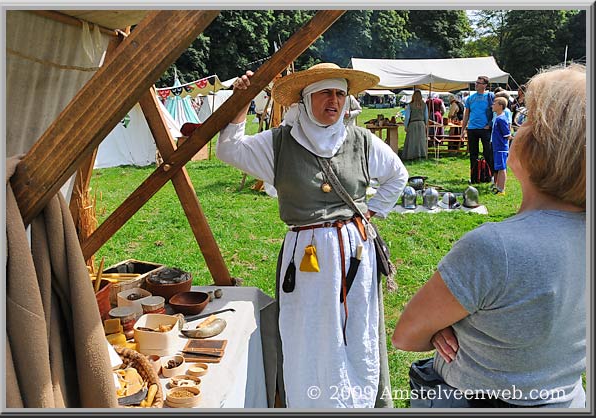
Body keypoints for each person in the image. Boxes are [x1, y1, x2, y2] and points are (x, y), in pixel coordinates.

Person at [391, 64, 586, 408]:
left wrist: (439, 328)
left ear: (545, 146)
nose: (514, 128)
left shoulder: (496, 248)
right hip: (567, 399)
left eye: (525, 122)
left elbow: (406, 335)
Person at [216, 63, 409, 408]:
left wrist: (372, 211)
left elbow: (397, 175)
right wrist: (241, 102)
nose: (333, 101)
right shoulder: (278, 143)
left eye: (339, 93)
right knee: (308, 330)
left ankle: (358, 400)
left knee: (357, 327)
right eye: (325, 93)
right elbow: (229, 149)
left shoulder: (361, 140)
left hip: (355, 254)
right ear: (305, 100)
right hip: (307, 258)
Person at [460, 75, 495, 182]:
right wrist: (463, 130)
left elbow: (496, 112)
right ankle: (474, 176)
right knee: (473, 154)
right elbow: (466, 115)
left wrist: (489, 124)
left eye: (478, 83)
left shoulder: (490, 96)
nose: (476, 84)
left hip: (485, 129)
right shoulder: (470, 98)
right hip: (472, 129)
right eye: (476, 82)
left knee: (488, 152)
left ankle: (489, 176)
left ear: (485, 85)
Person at [490, 97, 511, 195]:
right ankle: (497, 186)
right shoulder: (498, 118)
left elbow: (507, 135)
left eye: (495, 104)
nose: (492, 105)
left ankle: (501, 189)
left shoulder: (501, 119)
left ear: (500, 106)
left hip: (501, 148)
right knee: (499, 168)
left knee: (502, 168)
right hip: (497, 147)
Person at [401, 90, 428, 160]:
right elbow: (426, 116)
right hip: (421, 123)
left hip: (413, 123)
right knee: (420, 140)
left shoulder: (410, 105)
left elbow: (407, 117)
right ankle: (421, 154)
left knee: (412, 140)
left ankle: (412, 155)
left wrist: (406, 126)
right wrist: (425, 124)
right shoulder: (424, 105)